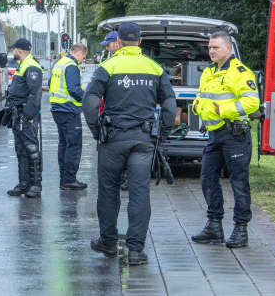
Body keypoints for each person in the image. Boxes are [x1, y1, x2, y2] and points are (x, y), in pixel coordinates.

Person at [83, 22, 176, 265]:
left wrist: (97, 131)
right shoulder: (155, 68)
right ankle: (135, 250)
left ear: (119, 41)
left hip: (113, 139)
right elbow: (169, 103)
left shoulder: (108, 66)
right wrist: (162, 134)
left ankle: (108, 242)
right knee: (139, 192)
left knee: (109, 190)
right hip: (144, 140)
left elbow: (90, 100)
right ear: (140, 41)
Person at [191, 31, 260, 249]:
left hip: (234, 135)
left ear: (228, 49)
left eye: (216, 48)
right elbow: (203, 97)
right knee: (207, 177)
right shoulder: (209, 71)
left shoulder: (240, 72)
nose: (211, 51)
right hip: (214, 134)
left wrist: (224, 110)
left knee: (238, 182)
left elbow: (252, 103)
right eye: (210, 47)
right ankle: (214, 226)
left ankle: (241, 229)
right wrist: (197, 106)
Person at [2, 38, 44, 198]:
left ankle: (36, 185)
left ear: (19, 50)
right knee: (21, 150)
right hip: (18, 114)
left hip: (26, 114)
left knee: (31, 149)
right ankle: (24, 184)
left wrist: (30, 116)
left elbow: (35, 93)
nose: (12, 52)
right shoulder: (23, 65)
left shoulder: (32, 66)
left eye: (13, 50)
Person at [49, 43, 88, 190]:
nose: (83, 61)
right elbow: (74, 89)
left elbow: (50, 83)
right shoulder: (71, 66)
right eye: (83, 58)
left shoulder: (60, 63)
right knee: (74, 145)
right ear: (79, 53)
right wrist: (87, 99)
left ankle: (64, 179)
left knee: (64, 144)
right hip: (69, 110)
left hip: (57, 109)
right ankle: (70, 179)